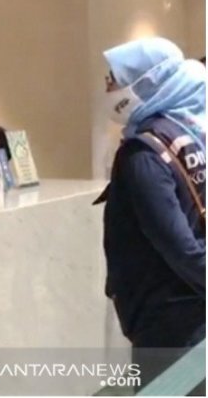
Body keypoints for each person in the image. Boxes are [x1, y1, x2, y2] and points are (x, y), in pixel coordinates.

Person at [100, 37, 206, 392]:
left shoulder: (143, 153)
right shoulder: (190, 134)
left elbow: (180, 246)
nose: (108, 89)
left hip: (169, 317)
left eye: (114, 80)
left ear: (144, 83)